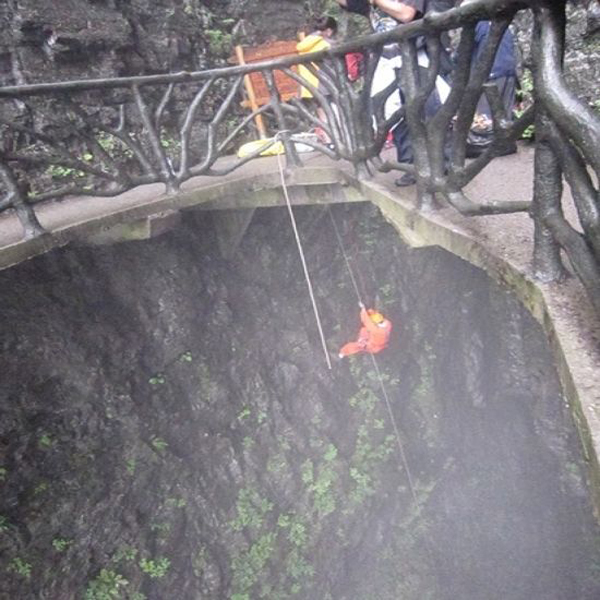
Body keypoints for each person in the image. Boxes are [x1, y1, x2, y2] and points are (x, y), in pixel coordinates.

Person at [336, 0, 451, 187]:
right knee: (395, 115)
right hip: (387, 60)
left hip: (418, 53)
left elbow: (407, 14)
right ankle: (411, 166)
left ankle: (442, 165)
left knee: (429, 110)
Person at [296, 16, 338, 144]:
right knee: (336, 111)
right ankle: (340, 140)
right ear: (329, 31)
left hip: (309, 85)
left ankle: (329, 142)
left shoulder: (304, 44)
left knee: (322, 114)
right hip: (324, 82)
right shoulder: (327, 44)